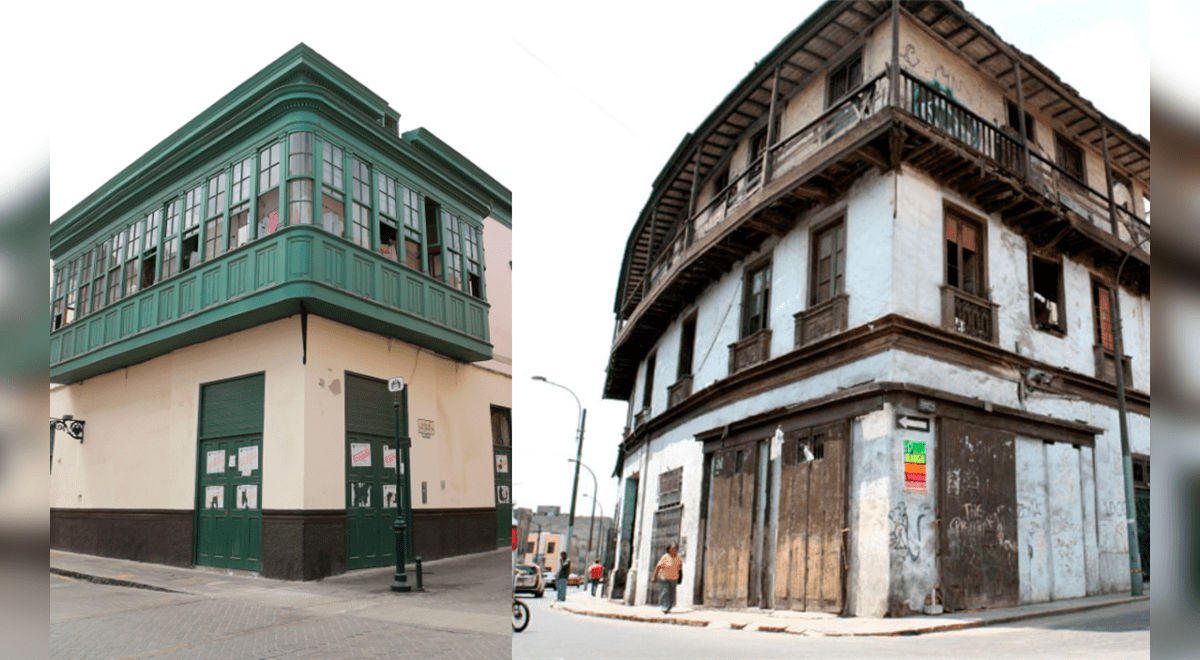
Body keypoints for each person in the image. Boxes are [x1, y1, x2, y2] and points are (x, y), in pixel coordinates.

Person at [651, 543, 682, 614]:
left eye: (675, 549)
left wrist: (680, 577)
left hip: (674, 578)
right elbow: (658, 567)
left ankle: (669, 607)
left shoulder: (678, 557)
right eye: (672, 549)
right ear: (669, 550)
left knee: (671, 594)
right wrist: (654, 576)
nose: (673, 550)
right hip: (664, 578)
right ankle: (664, 607)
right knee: (665, 593)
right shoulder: (665, 557)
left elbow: (680, 568)